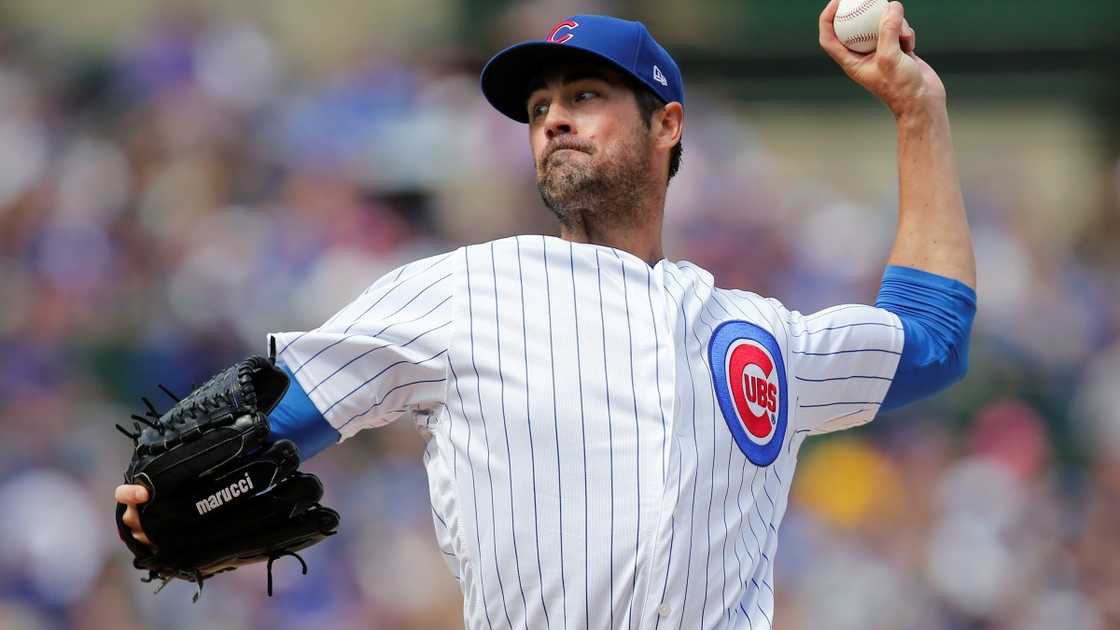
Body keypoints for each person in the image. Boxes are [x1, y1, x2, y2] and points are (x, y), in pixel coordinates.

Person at [116, 2, 977, 627]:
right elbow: (271, 424)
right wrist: (166, 493)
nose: (554, 117)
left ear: (667, 123)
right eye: (538, 110)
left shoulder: (755, 335)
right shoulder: (463, 289)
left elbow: (932, 344)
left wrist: (918, 112)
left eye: (586, 95)